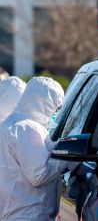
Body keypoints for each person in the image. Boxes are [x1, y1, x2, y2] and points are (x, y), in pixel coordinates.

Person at [0, 77, 65, 221]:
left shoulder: (10, 123)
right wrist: (65, 160)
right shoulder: (28, 128)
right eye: (56, 105)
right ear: (45, 102)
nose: (56, 111)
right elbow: (39, 175)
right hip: (29, 215)